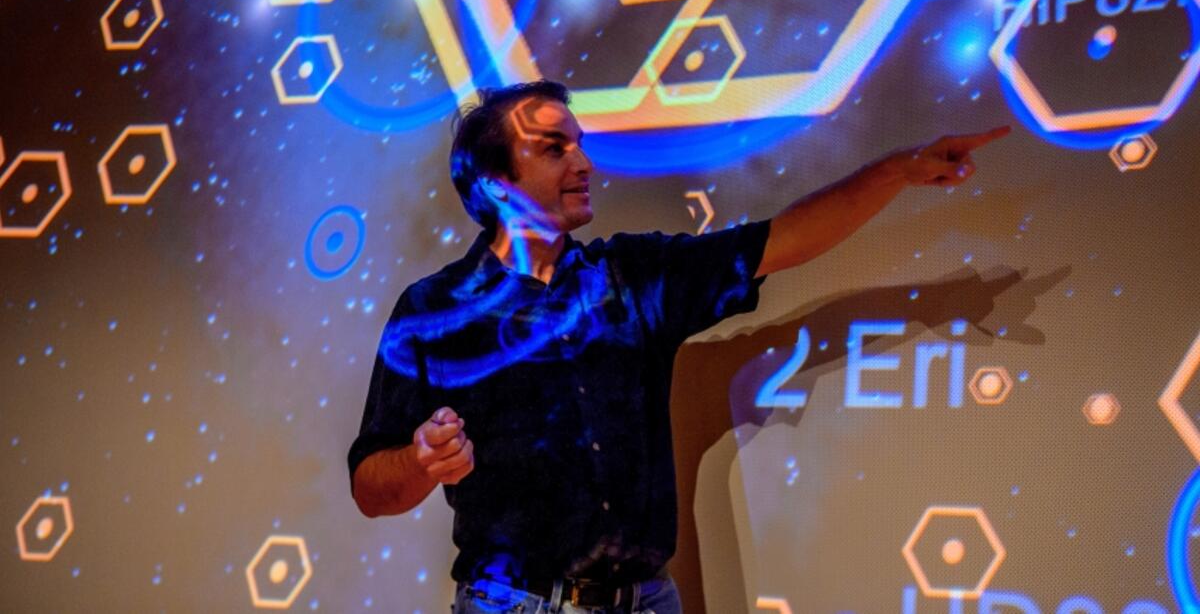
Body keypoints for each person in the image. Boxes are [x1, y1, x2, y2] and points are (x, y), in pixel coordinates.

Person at [348, 80, 1008, 614]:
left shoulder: (634, 277)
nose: (583, 163)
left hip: (647, 600)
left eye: (579, 144)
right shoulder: (434, 310)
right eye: (554, 149)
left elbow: (782, 241)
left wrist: (897, 170)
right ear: (496, 184)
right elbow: (372, 488)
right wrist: (421, 459)